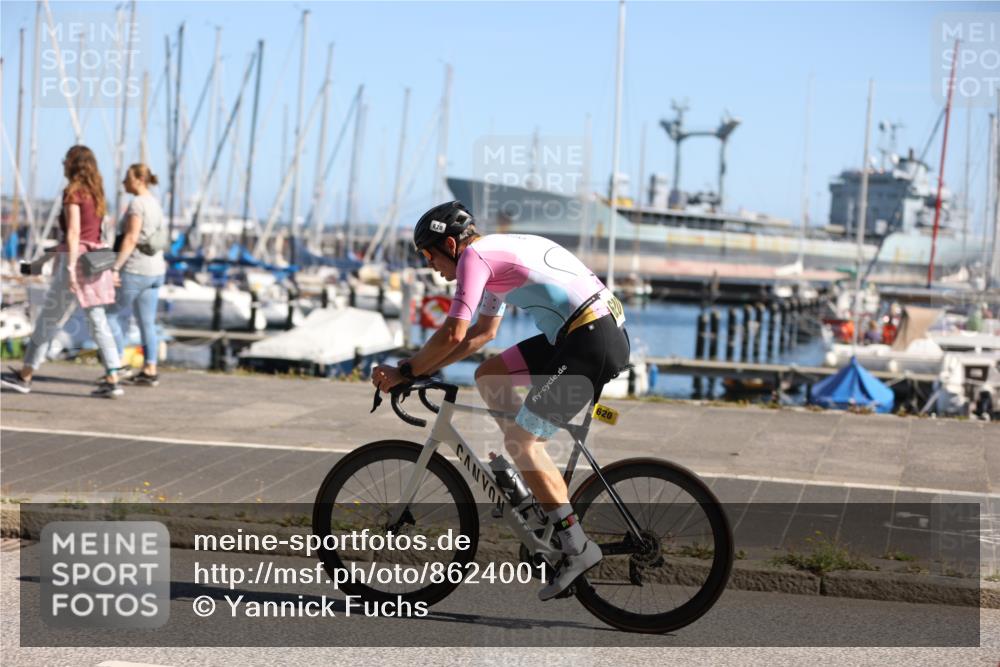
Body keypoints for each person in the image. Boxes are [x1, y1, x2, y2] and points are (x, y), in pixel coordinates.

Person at [371, 201, 630, 601]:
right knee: (488, 375)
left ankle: (577, 547)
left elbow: (455, 333)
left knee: (523, 442)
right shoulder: (490, 259)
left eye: (430, 254)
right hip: (582, 333)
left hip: (589, 337)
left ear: (451, 245)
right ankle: (527, 477)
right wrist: (422, 369)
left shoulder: (475, 258)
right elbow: (482, 334)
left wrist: (406, 370)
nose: (430, 266)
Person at [1, 145, 123, 398]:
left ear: (73, 164)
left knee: (48, 319)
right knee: (98, 320)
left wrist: (68, 268)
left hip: (75, 261)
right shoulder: (97, 194)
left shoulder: (74, 193)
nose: (62, 164)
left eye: (65, 160)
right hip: (95, 261)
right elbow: (96, 234)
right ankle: (113, 377)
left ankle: (25, 376)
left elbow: (74, 233)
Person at [106, 163, 166, 386]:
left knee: (111, 316)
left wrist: (115, 267)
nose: (124, 183)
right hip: (156, 270)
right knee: (147, 322)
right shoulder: (156, 204)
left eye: (127, 178)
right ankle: (150, 368)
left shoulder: (137, 204)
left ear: (139, 180)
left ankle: (116, 364)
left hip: (135, 269)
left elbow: (130, 238)